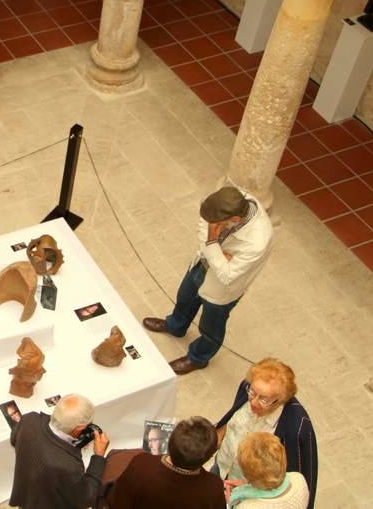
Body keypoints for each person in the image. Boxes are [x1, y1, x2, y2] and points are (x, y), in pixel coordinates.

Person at [142, 186, 273, 375]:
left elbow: (227, 275)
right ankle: (176, 326)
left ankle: (198, 357)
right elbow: (204, 224)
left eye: (215, 223)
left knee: (211, 326)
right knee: (185, 297)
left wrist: (212, 243)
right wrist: (218, 253)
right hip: (202, 264)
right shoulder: (228, 200)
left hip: (222, 288)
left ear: (235, 220)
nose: (209, 223)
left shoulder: (257, 241)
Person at [215, 358, 317, 509]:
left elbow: (300, 478)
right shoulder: (248, 388)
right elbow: (231, 418)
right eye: (253, 393)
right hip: (222, 466)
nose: (254, 402)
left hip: (252, 492)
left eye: (264, 400)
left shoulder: (297, 428)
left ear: (281, 400)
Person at [9, 393, 109, 509]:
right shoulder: (68, 465)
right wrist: (98, 456)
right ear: (80, 428)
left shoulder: (28, 419)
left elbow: (14, 439)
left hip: (26, 496)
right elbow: (85, 499)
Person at [108, 417, 225, 509]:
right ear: (208, 457)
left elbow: (117, 502)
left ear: (169, 443)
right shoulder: (213, 488)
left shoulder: (141, 464)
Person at [225, 432, 310, 508]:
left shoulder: (247, 506)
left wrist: (230, 504)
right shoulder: (298, 479)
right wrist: (248, 484)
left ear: (247, 475)